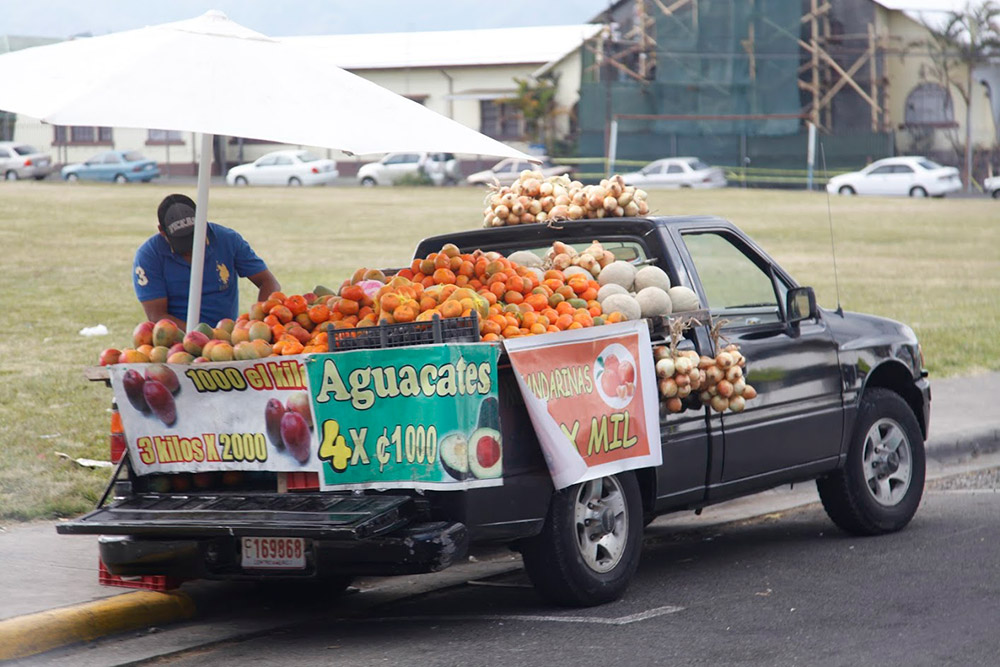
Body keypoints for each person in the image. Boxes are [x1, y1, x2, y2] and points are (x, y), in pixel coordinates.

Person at [132, 193, 280, 327]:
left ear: (203, 222)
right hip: (176, 343)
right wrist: (202, 337)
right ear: (162, 231)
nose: (191, 249)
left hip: (227, 339)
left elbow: (268, 282)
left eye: (196, 237)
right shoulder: (148, 256)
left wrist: (258, 321)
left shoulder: (228, 240)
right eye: (183, 243)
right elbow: (156, 316)